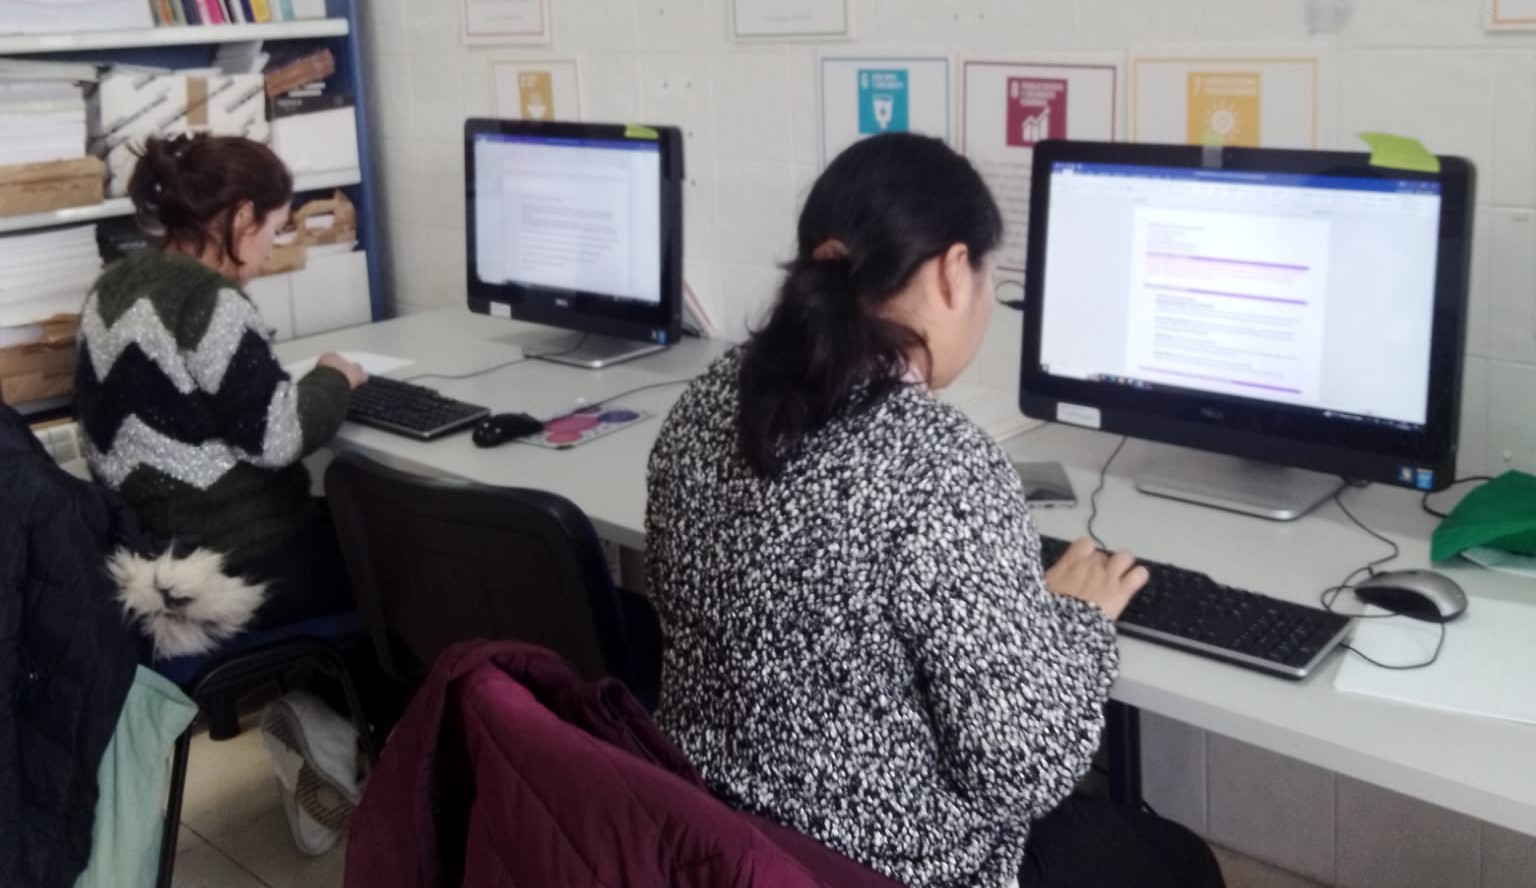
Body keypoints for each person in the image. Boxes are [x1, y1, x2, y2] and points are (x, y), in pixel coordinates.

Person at [645, 133, 1225, 888]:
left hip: (719, 847)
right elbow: (1023, 772)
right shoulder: (940, 466)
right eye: (990, 278)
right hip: (894, 870)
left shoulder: (707, 401)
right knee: (1176, 861)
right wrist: (1075, 623)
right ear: (954, 271)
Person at [74, 133, 368, 634]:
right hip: (234, 561)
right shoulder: (209, 302)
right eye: (275, 230)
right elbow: (278, 440)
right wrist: (334, 377)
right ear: (242, 216)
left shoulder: (113, 286)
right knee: (396, 558)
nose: (271, 252)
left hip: (152, 555)